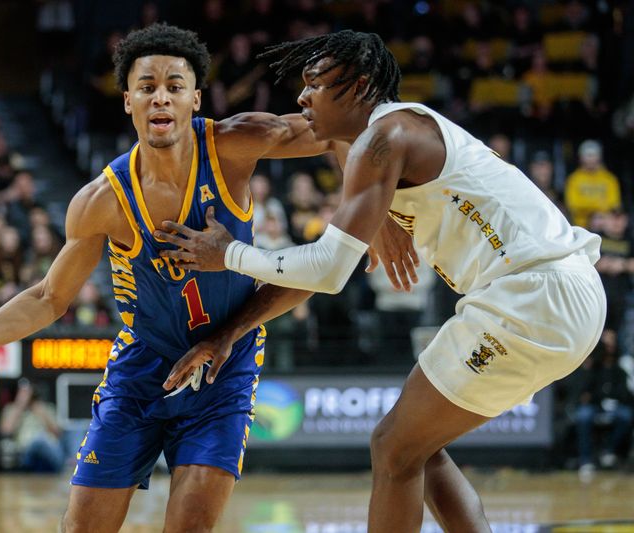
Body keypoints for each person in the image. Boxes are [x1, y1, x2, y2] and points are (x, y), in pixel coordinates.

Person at [0, 24, 415, 532]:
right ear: (128, 101)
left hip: (223, 368)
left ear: (195, 99)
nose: (161, 98)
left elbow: (344, 130)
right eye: (147, 87)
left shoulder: (236, 145)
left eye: (174, 86)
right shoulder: (100, 200)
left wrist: (375, 211)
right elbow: (49, 299)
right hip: (142, 369)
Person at [159, 30, 606, 533]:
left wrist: (230, 254)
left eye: (315, 84)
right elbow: (318, 145)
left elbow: (327, 269)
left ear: (360, 85)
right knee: (415, 448)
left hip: (531, 292)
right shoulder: (389, 135)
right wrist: (229, 332)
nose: (302, 96)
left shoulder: (386, 137)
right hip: (559, 294)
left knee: (392, 447)